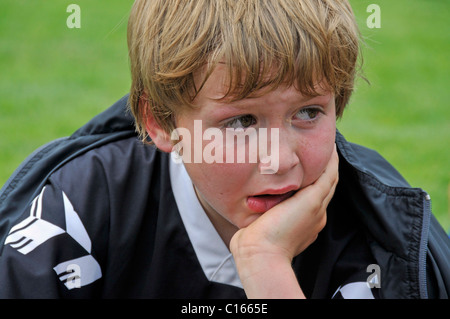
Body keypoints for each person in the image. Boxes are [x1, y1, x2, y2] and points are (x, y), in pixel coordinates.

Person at [0, 0, 449, 299]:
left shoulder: (381, 239)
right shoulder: (80, 212)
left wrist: (266, 264)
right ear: (160, 122)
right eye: (241, 122)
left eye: (308, 113)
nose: (281, 159)